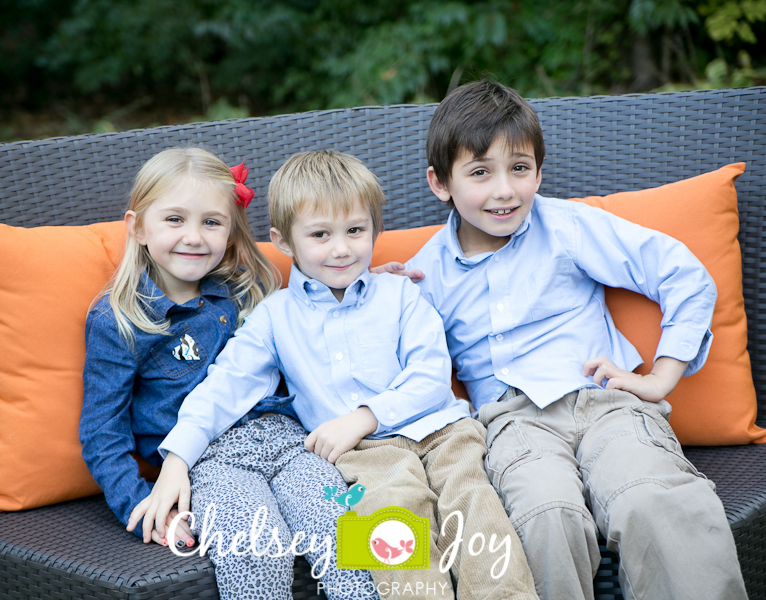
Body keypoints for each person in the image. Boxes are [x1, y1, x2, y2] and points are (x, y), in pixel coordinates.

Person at [131, 149, 540, 600]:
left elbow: (430, 375)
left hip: (444, 433)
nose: (341, 248)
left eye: (355, 231)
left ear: (374, 230)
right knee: (392, 521)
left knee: (477, 509)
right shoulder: (275, 318)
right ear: (284, 241)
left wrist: (365, 415)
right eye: (320, 235)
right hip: (364, 455)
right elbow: (224, 386)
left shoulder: (401, 294)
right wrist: (176, 459)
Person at [400, 79, 747, 600]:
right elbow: (398, 359)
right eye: (480, 172)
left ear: (539, 171)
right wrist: (371, 291)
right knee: (544, 517)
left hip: (608, 405)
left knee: (654, 499)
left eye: (520, 168)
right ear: (440, 183)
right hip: (513, 424)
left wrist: (662, 376)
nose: (504, 190)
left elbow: (679, 272)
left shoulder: (567, 227)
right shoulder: (425, 275)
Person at [80, 147, 375, 600]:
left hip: (292, 442)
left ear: (231, 231)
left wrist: (370, 289)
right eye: (174, 220)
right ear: (137, 227)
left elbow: (318, 297)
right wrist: (143, 505)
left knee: (348, 534)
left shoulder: (247, 291)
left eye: (211, 222)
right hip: (206, 462)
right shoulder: (119, 321)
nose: (194, 237)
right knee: (258, 548)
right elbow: (102, 432)